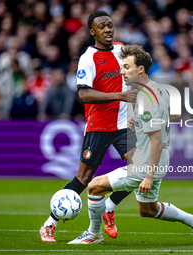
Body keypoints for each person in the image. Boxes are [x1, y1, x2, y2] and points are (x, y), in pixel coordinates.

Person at [68, 44, 193, 245]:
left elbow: (157, 142)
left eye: (126, 67)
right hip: (159, 161)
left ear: (140, 69)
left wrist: (148, 176)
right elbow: (176, 114)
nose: (122, 71)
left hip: (146, 164)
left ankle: (93, 234)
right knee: (148, 210)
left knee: (94, 187)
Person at [39, 10, 138, 242]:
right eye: (102, 26)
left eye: (110, 25)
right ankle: (49, 224)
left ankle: (109, 207)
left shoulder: (121, 49)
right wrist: (120, 96)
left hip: (123, 124)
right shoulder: (88, 58)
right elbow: (83, 94)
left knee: (141, 170)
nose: (107, 30)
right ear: (92, 31)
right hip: (99, 125)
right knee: (83, 178)